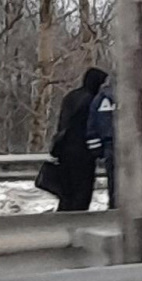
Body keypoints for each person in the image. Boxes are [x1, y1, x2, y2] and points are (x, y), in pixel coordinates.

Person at [50, 68, 107, 211]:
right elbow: (91, 127)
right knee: (81, 192)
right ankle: (77, 222)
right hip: (82, 153)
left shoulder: (71, 97)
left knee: (67, 192)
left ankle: (64, 221)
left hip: (64, 150)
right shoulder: (91, 100)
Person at [86, 77, 118, 208]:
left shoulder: (100, 99)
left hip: (109, 145)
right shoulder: (136, 97)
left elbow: (92, 125)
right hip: (131, 147)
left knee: (115, 183)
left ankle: (115, 209)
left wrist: (96, 150)